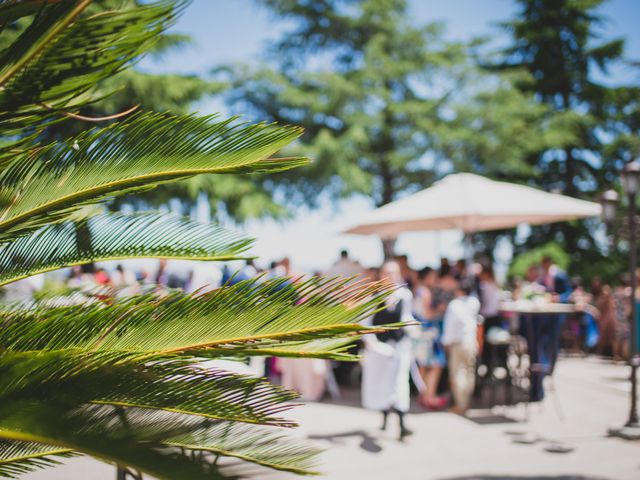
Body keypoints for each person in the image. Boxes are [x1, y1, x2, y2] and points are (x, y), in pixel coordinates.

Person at [361, 261, 416, 439]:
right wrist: (371, 342)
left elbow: (406, 317)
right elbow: (366, 324)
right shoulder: (374, 297)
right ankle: (384, 419)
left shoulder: (404, 295)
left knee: (400, 384)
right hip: (380, 349)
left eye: (393, 273)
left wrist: (414, 328)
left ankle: (402, 424)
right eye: (386, 273)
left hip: (399, 346)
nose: (389, 277)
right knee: (383, 383)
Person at [441, 279, 480, 414]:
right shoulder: (474, 303)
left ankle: (461, 403)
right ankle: (466, 400)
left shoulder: (455, 305)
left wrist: (446, 342)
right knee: (469, 372)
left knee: (457, 373)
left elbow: (450, 326)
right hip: (471, 341)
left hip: (458, 342)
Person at [412, 266, 447, 410]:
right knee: (436, 364)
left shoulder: (417, 290)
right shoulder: (425, 292)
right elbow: (427, 314)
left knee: (424, 365)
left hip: (420, 333)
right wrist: (440, 309)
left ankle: (424, 394)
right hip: (427, 333)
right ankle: (429, 396)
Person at [592, 277, 616, 357]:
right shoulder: (598, 293)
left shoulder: (605, 290)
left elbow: (609, 304)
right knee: (603, 334)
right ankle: (601, 351)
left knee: (608, 334)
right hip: (603, 316)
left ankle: (610, 352)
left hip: (607, 315)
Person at [613, 274, 632, 361]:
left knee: (617, 337)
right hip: (626, 316)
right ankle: (625, 355)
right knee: (626, 337)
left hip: (617, 316)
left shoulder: (616, 291)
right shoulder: (629, 291)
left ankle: (616, 356)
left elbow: (613, 304)